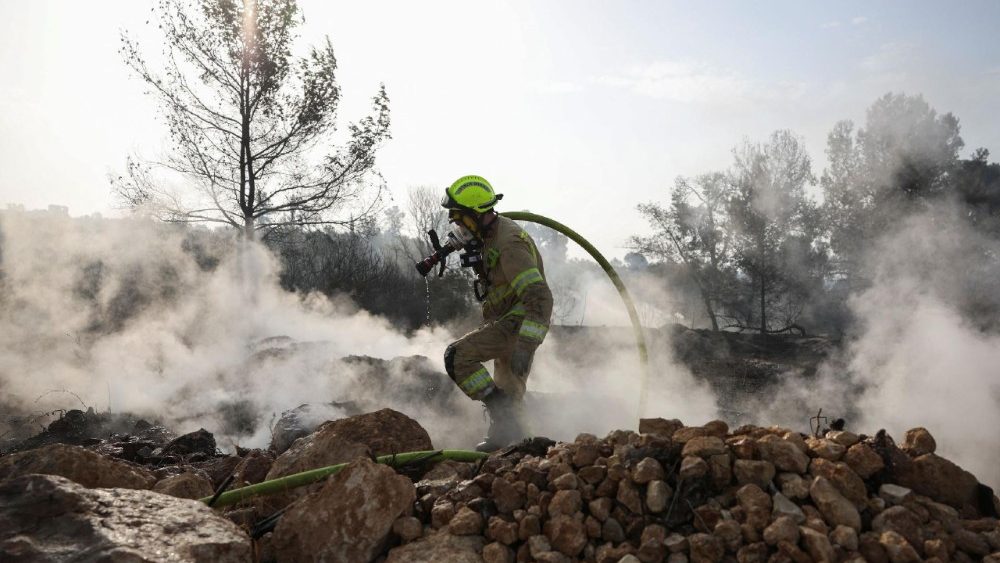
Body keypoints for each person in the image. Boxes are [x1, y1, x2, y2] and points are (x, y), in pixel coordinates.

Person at [441, 175, 553, 452]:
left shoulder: (510, 244)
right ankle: (520, 453)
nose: (457, 226)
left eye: (460, 219)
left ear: (476, 214)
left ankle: (503, 417)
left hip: (517, 323)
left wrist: (525, 347)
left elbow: (539, 298)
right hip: (503, 319)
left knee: (457, 356)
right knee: (511, 402)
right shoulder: (489, 235)